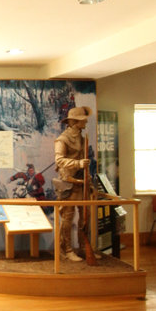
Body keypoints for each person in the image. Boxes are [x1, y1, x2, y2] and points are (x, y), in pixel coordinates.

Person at [53, 106, 92, 261]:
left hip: (82, 182)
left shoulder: (82, 138)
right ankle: (67, 249)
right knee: (68, 218)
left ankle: (84, 247)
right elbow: (59, 160)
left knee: (84, 217)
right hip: (68, 183)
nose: (86, 122)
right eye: (82, 120)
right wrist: (78, 164)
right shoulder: (62, 139)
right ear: (75, 122)